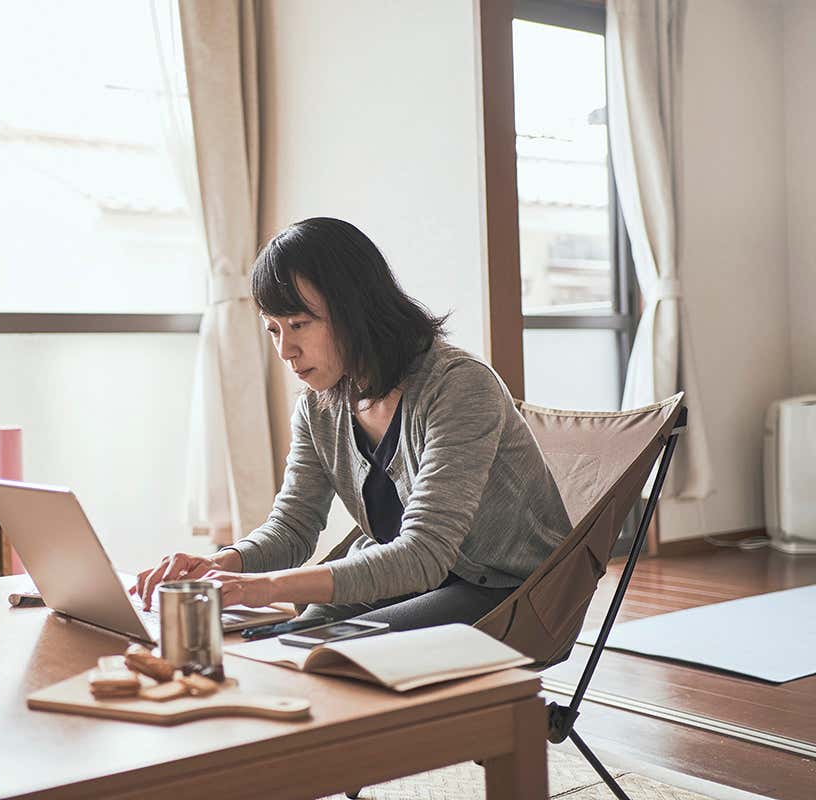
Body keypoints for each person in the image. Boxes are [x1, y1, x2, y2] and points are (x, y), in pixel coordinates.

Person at [133, 217, 571, 632]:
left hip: (511, 591)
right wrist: (222, 564)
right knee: (293, 637)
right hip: (406, 580)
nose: (286, 350)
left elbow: (424, 553)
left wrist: (264, 587)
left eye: (299, 325)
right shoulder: (318, 408)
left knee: (329, 650)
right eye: (273, 330)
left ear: (354, 310)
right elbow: (292, 527)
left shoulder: (459, 387)